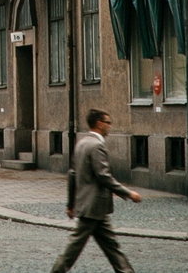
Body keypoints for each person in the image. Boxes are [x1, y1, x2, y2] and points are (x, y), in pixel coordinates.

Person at [50, 108, 142, 273]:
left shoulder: (81, 143)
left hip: (92, 208)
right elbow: (104, 176)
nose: (110, 126)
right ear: (99, 124)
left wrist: (71, 204)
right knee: (73, 249)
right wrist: (128, 193)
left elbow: (72, 175)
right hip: (93, 207)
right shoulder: (97, 146)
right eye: (108, 122)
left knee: (112, 246)